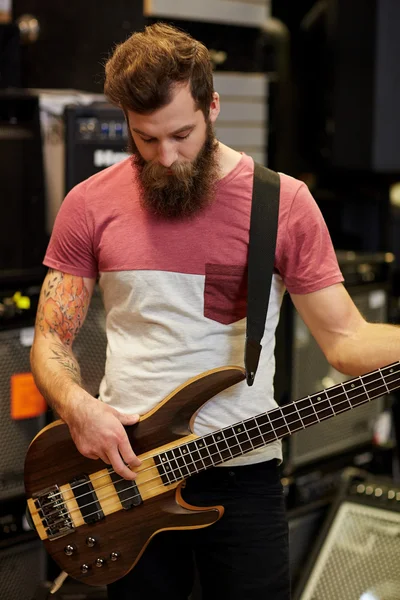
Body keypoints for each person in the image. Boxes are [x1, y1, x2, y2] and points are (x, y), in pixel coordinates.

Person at [30, 23, 400, 600]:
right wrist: (78, 408)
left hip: (243, 471)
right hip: (125, 475)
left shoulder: (283, 204)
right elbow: (51, 338)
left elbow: (345, 341)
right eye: (146, 139)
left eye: (182, 133)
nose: (167, 157)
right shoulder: (90, 203)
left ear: (213, 106)